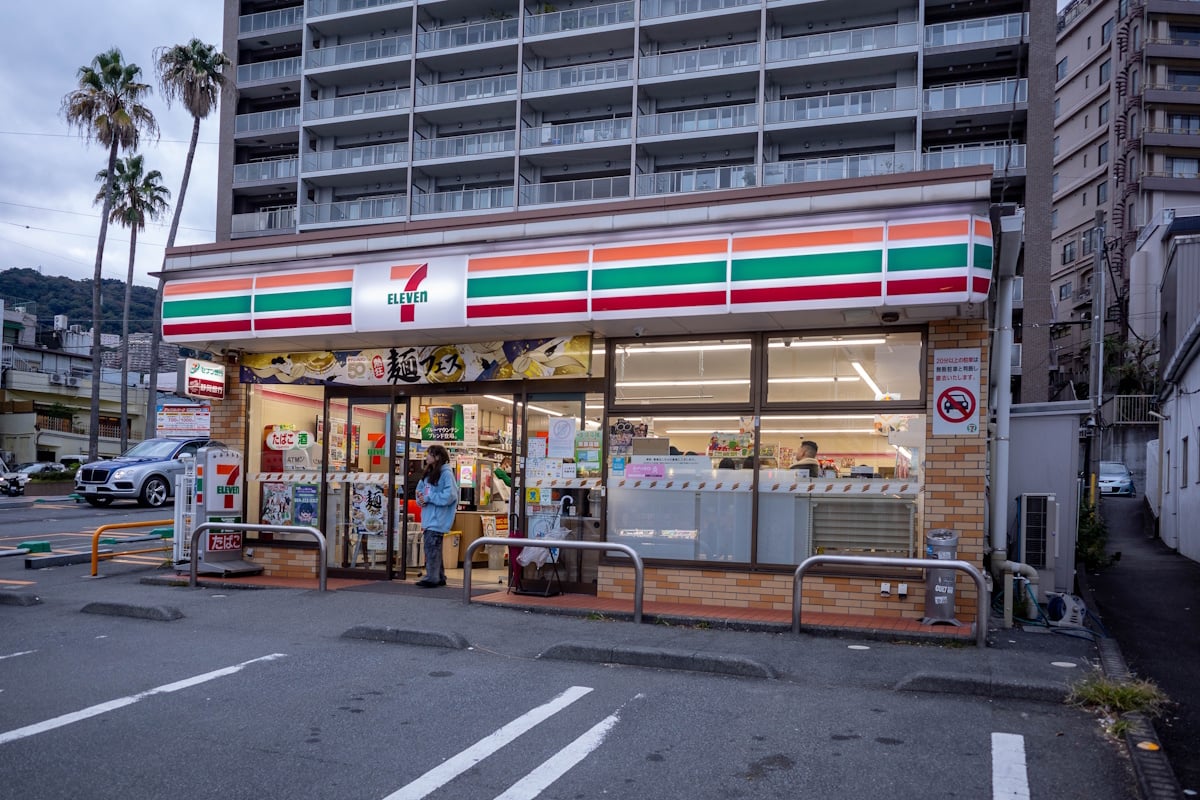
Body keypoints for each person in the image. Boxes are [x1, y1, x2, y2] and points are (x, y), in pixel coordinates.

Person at [414, 444, 458, 588]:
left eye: (430, 454)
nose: (427, 456)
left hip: (437, 518)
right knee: (434, 548)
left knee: (431, 547)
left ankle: (432, 577)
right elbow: (420, 490)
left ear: (437, 457)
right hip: (430, 517)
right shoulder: (429, 473)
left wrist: (429, 497)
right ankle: (438, 576)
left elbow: (450, 496)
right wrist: (420, 498)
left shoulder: (446, 474)